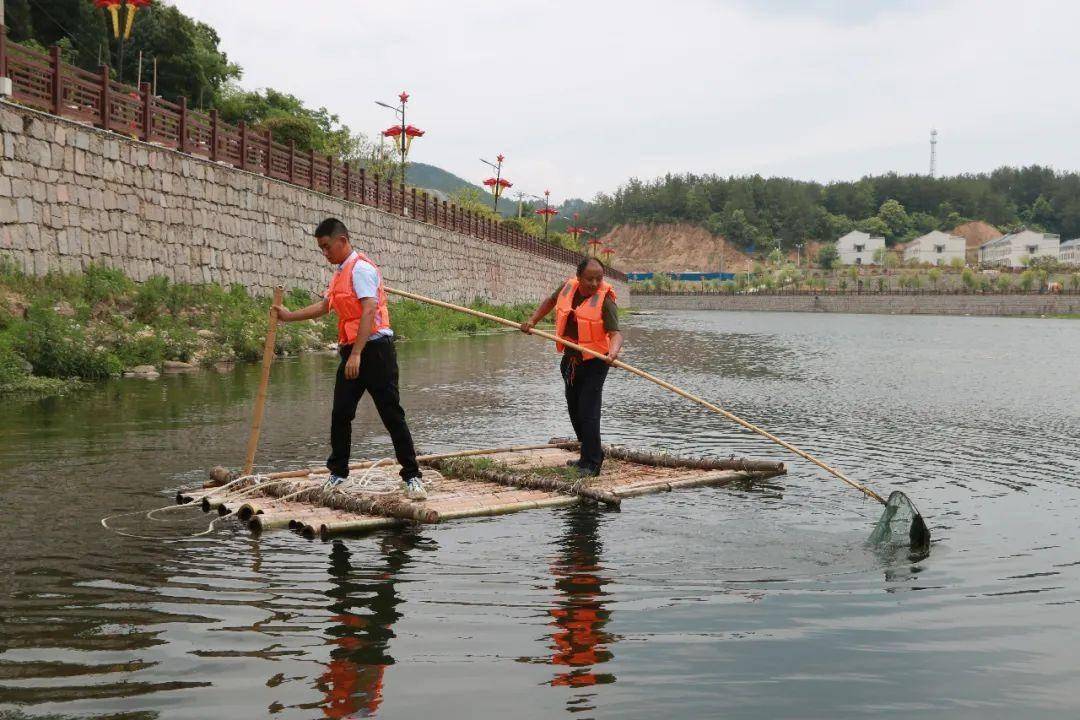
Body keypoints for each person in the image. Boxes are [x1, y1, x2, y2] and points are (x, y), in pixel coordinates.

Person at [273, 218, 426, 499]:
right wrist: (289, 317)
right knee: (341, 413)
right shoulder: (340, 273)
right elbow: (325, 306)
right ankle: (338, 472)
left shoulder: (361, 270)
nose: (325, 253)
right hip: (351, 351)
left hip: (375, 351)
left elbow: (369, 311)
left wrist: (357, 354)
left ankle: (412, 476)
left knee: (392, 414)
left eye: (327, 247)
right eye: (321, 248)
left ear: (342, 241)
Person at [520, 258, 623, 476]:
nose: (594, 283)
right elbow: (550, 301)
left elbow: (615, 334)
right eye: (589, 279)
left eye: (599, 278)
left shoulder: (606, 301)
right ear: (578, 277)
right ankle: (588, 454)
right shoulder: (567, 287)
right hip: (571, 361)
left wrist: (613, 353)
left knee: (589, 411)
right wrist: (533, 321)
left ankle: (592, 463)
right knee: (575, 410)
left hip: (595, 362)